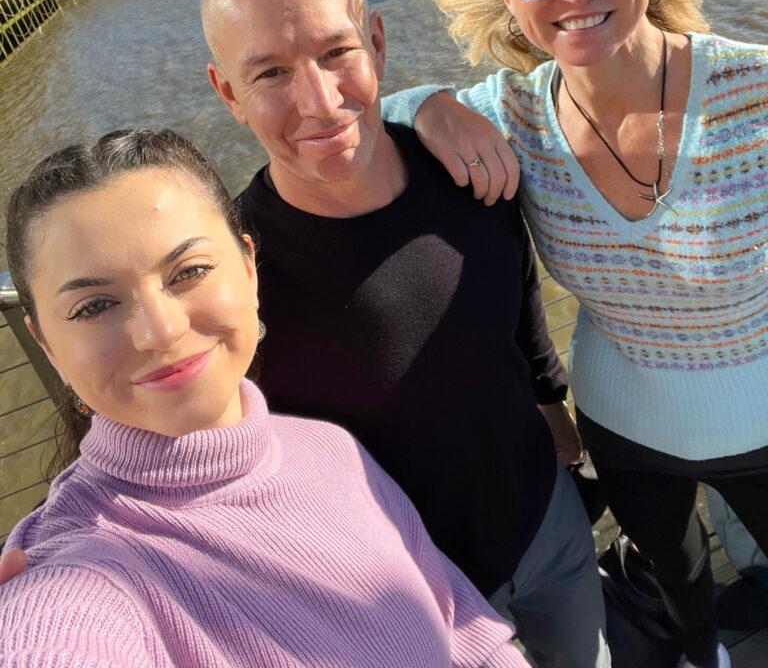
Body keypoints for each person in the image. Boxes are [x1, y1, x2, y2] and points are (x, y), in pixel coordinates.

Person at [384, 0, 768, 668]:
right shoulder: (508, 117)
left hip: (765, 421)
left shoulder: (756, 94)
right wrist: (425, 104)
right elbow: (356, 124)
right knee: (676, 582)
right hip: (623, 427)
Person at [199, 0, 610, 668]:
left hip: (547, 525)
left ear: (378, 44)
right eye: (268, 74)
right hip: (408, 605)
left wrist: (558, 416)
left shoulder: (469, 168)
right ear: (226, 92)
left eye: (336, 54)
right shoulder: (231, 278)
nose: (319, 103)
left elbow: (519, 315)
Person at [0, 128, 524, 668]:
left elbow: (462, 628)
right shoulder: (81, 567)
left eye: (190, 271)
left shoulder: (328, 448)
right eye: (94, 306)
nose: (159, 331)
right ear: (48, 348)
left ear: (249, 270)